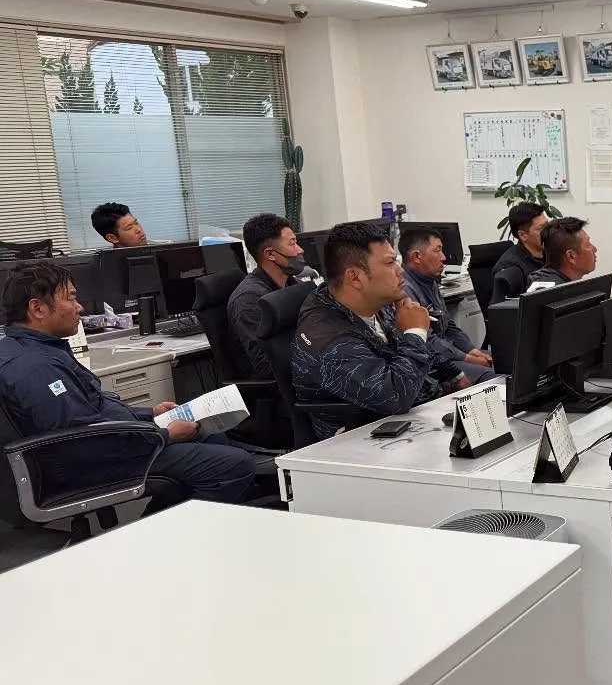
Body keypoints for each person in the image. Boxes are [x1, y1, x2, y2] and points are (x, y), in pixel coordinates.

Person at [0, 262, 254, 504]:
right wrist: (164, 435)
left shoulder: (42, 349)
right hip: (93, 464)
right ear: (38, 309)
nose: (80, 308)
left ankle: (165, 518)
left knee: (211, 436)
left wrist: (150, 414)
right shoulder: (34, 367)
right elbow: (80, 440)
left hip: (111, 444)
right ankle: (163, 530)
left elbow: (94, 409)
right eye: (71, 298)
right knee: (234, 465)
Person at [291, 221, 464, 439]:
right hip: (362, 438)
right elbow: (395, 397)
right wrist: (415, 332)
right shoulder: (327, 339)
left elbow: (414, 353)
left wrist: (454, 374)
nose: (400, 270)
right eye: (390, 263)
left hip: (413, 416)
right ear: (355, 277)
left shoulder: (375, 303)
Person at [399, 225, 495, 384]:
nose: (444, 257)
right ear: (416, 256)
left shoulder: (429, 281)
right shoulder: (404, 291)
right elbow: (427, 340)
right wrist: (467, 358)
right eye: (438, 250)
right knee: (492, 377)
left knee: (504, 365)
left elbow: (447, 324)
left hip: (448, 355)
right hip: (432, 364)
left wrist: (471, 350)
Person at [228, 213, 311, 378]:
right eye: (292, 244)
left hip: (304, 370)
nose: (300, 250)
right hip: (281, 385)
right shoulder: (249, 300)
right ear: (270, 254)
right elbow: (266, 365)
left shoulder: (292, 284)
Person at [491, 202, 548, 303]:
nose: (549, 231)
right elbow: (502, 309)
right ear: (523, 235)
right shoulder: (510, 268)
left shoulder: (551, 253)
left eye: (548, 225)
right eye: (542, 228)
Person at [526, 216, 598, 290]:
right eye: (588, 244)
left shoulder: (567, 286)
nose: (594, 249)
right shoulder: (549, 291)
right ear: (571, 256)